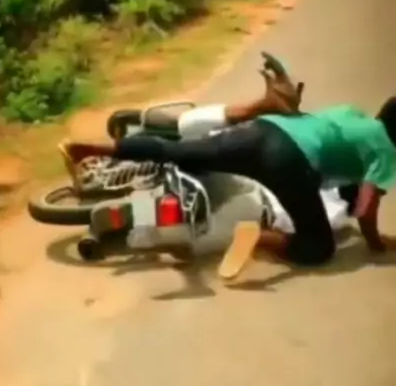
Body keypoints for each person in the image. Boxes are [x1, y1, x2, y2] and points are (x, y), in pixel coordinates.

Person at [64, 57, 396, 279]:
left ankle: (91, 150)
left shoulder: (352, 114)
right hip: (286, 163)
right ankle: (260, 239)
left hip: (265, 130)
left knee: (175, 151)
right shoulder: (386, 150)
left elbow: (334, 155)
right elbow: (365, 210)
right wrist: (376, 244)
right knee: (319, 248)